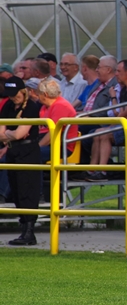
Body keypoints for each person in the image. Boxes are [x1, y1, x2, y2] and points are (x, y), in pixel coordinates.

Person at [0, 78, 43, 245]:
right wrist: (11, 134)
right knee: (17, 190)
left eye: (15, 94)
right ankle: (23, 228)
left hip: (28, 151)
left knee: (28, 190)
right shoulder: (8, 106)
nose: (13, 97)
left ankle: (30, 231)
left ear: (23, 91)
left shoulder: (31, 107)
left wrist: (10, 134)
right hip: (13, 151)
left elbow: (19, 134)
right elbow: (4, 133)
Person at [35, 78, 79, 164]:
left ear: (45, 94)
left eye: (38, 93)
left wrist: (36, 147)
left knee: (31, 154)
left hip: (62, 146)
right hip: (48, 142)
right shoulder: (44, 107)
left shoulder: (61, 106)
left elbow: (53, 134)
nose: (37, 95)